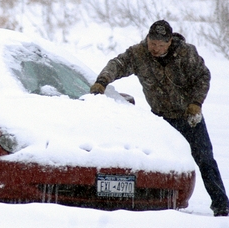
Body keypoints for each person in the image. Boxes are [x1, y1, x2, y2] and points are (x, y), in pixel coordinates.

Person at [90, 20, 229, 216]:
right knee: (159, 163)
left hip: (188, 117)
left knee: (205, 160)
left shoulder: (186, 53)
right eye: (152, 43)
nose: (155, 49)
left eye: (160, 45)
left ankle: (221, 206)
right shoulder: (139, 54)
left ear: (170, 42)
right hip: (160, 119)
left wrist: (196, 103)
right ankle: (160, 205)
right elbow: (118, 64)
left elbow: (203, 76)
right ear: (147, 39)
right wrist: (102, 82)